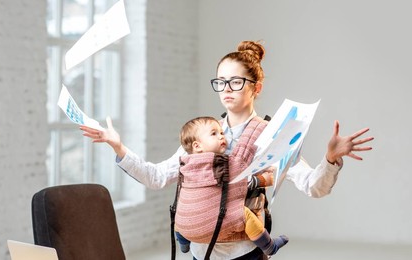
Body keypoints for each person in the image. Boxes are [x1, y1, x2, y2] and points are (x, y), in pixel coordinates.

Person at [80, 40, 374, 259]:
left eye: (235, 81)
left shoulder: (274, 135)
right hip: (200, 252)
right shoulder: (204, 136)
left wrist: (331, 159)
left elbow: (314, 187)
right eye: (220, 82)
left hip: (244, 252)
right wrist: (117, 146)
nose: (226, 89)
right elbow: (156, 177)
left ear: (256, 87)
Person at [174, 116, 288, 256]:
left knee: (181, 211)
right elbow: (239, 173)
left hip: (186, 229)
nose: (222, 137)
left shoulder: (185, 165)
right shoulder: (221, 164)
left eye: (222, 133)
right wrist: (261, 180)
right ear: (197, 146)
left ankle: (183, 244)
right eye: (214, 133)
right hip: (213, 228)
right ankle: (269, 245)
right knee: (246, 215)